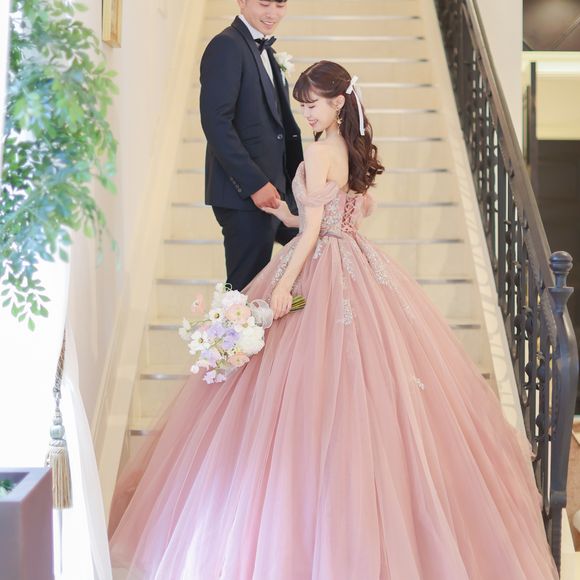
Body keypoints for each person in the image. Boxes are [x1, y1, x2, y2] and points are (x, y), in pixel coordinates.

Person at [109, 61, 559, 579]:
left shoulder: (320, 151)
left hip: (321, 264)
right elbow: (330, 216)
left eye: (313, 104)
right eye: (301, 104)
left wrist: (281, 286)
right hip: (358, 262)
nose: (306, 113)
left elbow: (314, 233)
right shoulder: (349, 149)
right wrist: (285, 214)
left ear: (338, 103)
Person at [200, 0, 303, 291]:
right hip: (245, 195)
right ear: (242, 2)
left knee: (314, 260)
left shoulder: (266, 50)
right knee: (245, 293)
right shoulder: (226, 46)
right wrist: (255, 184)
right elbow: (217, 124)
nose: (272, 14)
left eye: (280, 5)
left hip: (280, 192)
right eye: (264, 3)